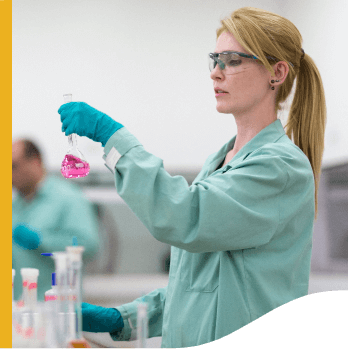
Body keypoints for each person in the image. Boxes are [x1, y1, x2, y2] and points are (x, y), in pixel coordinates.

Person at [58, 6, 326, 347]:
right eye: (215, 59)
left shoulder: (280, 168)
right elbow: (198, 288)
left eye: (232, 60)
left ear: (277, 72)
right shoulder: (220, 161)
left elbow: (183, 216)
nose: (216, 72)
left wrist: (113, 137)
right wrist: (122, 318)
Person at [12, 138, 100, 301]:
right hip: (20, 308)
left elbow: (89, 245)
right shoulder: (13, 206)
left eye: (13, 166)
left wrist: (42, 241)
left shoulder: (68, 198)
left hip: (57, 309)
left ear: (35, 162)